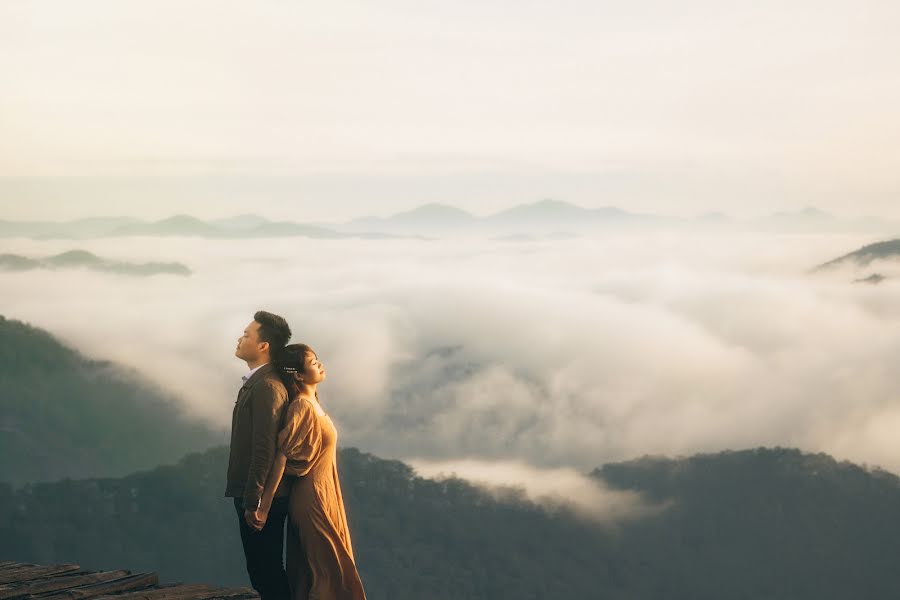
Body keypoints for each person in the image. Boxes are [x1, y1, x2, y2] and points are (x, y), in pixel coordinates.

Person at [250, 343, 367, 600]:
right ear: (299, 375)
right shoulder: (301, 406)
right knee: (327, 574)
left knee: (323, 572)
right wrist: (264, 506)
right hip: (312, 499)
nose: (320, 364)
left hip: (325, 496)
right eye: (313, 362)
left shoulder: (313, 403)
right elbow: (282, 454)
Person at [225, 310, 294, 600]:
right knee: (263, 571)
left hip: (261, 496)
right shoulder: (261, 381)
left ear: (263, 345)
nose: (240, 339)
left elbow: (264, 448)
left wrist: (254, 500)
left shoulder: (267, 386)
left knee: (265, 573)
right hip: (258, 494)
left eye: (247, 334)